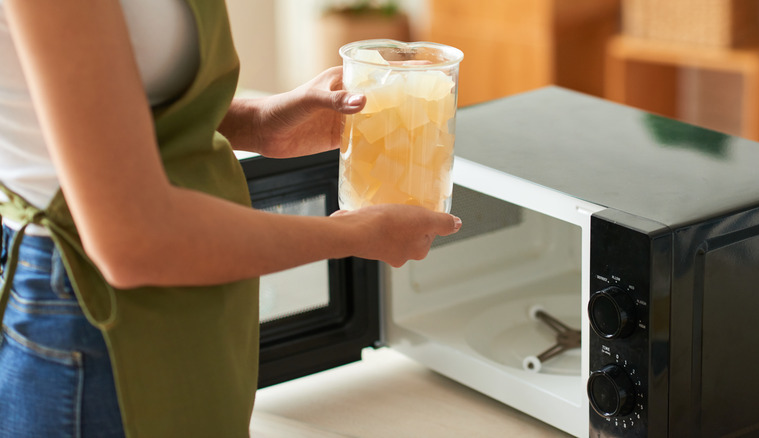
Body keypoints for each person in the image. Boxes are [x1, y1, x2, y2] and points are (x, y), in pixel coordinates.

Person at [0, 0, 462, 436]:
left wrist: (256, 122)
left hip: (199, 293)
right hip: (93, 317)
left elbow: (114, 95)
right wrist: (353, 232)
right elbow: (132, 239)